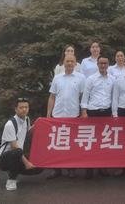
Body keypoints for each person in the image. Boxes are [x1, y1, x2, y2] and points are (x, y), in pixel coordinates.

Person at [47, 48, 85, 179]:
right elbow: (52, 97)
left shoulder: (81, 78)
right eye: (67, 61)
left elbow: (83, 97)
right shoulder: (57, 78)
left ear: (75, 63)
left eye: (71, 61)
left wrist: (83, 112)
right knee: (57, 143)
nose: (69, 63)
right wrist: (48, 114)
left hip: (73, 115)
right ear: (63, 63)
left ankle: (71, 169)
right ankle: (56, 169)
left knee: (71, 144)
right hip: (57, 115)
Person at [0, 97, 42, 191]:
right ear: (16, 109)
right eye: (21, 107)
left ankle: (13, 172)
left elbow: (29, 132)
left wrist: (40, 123)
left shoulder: (27, 119)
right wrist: (27, 163)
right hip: (5, 159)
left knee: (39, 168)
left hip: (18, 155)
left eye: (26, 107)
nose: (24, 109)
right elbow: (14, 146)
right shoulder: (10, 124)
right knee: (17, 152)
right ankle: (11, 180)